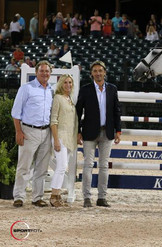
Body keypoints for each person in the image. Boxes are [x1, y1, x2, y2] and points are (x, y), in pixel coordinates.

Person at [76, 61, 121, 208]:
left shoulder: (112, 89)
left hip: (107, 132)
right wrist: (77, 132)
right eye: (95, 71)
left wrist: (118, 130)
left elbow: (116, 111)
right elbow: (77, 112)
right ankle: (87, 198)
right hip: (88, 132)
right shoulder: (85, 89)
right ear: (91, 74)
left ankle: (102, 197)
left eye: (100, 70)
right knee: (88, 165)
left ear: (105, 72)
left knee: (104, 166)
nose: (98, 73)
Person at [11, 60, 54, 208]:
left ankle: (37, 197)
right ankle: (19, 197)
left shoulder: (51, 90)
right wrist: (18, 131)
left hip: (46, 131)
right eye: (42, 71)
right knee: (24, 166)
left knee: (42, 167)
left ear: (50, 73)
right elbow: (16, 113)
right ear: (36, 72)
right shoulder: (26, 88)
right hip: (28, 131)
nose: (44, 74)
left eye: (47, 71)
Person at [49, 75, 78, 207]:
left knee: (62, 167)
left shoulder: (70, 99)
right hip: (60, 136)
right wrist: (55, 140)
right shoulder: (58, 98)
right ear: (61, 84)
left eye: (70, 82)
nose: (68, 85)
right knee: (61, 167)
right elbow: (53, 120)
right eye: (65, 82)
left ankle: (57, 194)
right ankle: (54, 195)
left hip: (69, 138)